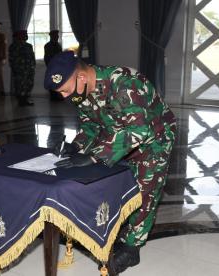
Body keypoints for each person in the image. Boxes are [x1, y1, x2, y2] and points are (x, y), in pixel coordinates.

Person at [45, 51, 176, 274]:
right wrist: (75, 147)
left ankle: (132, 248)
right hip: (117, 140)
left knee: (145, 193)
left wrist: (95, 155)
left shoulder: (125, 83)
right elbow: (91, 127)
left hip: (154, 139)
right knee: (117, 187)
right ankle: (117, 229)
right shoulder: (81, 92)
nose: (65, 97)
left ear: (82, 77)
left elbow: (139, 129)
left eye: (65, 90)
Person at [9, 30, 35, 106]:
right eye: (23, 35)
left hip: (29, 70)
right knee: (20, 86)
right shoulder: (13, 46)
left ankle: (25, 99)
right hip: (20, 71)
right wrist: (16, 69)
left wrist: (33, 67)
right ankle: (21, 101)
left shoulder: (29, 46)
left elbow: (32, 58)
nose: (25, 36)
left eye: (26, 35)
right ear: (19, 36)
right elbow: (12, 60)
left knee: (29, 85)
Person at [43, 30, 63, 101]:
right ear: (51, 36)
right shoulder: (48, 45)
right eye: (55, 36)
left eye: (57, 36)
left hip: (58, 66)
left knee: (58, 81)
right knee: (52, 82)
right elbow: (47, 57)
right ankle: (53, 97)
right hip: (52, 66)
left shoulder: (58, 45)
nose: (57, 37)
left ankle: (57, 96)